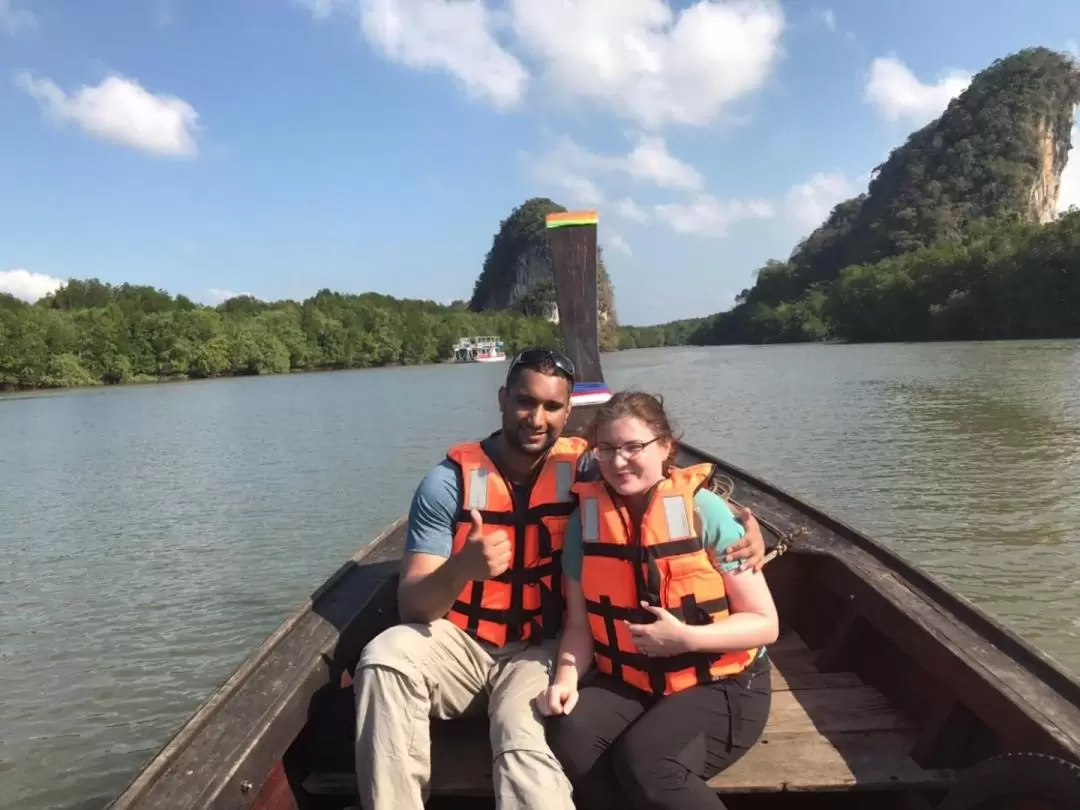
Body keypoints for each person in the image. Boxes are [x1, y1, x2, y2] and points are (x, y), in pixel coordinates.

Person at [353, 349, 768, 810]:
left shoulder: (589, 467)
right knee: (384, 656)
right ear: (503, 399)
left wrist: (746, 522)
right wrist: (460, 568)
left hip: (540, 647)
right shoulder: (447, 484)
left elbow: (662, 485)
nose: (536, 418)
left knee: (522, 731)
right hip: (462, 644)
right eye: (525, 402)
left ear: (567, 413)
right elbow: (412, 607)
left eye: (552, 407)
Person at [537, 391, 779, 810]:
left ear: (666, 447)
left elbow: (764, 623)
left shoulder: (706, 512)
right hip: (631, 680)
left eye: (634, 447)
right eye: (607, 449)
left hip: (722, 684)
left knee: (647, 761)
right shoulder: (585, 523)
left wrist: (685, 638)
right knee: (570, 735)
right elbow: (579, 625)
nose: (618, 461)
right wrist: (565, 678)